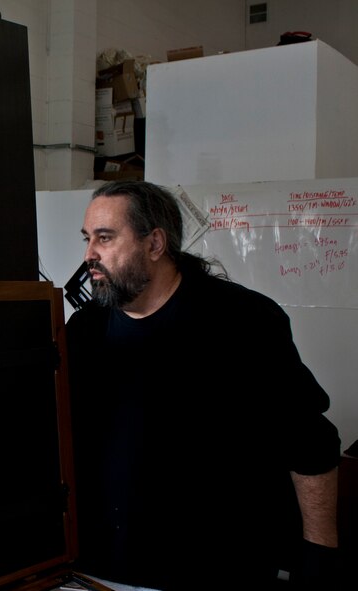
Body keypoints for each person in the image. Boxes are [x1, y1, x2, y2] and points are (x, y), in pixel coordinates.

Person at [65, 181, 342, 590]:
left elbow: (310, 443)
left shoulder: (244, 322)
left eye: (105, 238)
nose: (90, 254)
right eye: (88, 239)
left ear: (155, 243)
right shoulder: (85, 330)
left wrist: (319, 556)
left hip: (214, 570)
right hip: (101, 569)